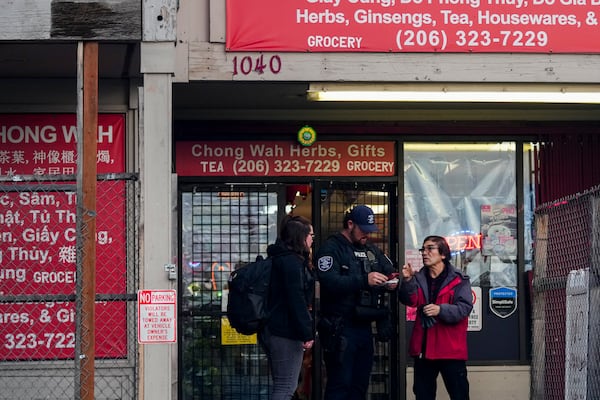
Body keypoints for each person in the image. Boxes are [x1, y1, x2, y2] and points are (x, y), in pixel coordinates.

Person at [315, 205, 397, 400]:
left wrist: (392, 282)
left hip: (365, 326)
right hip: (340, 327)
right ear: (350, 224)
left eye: (370, 231)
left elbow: (389, 270)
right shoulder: (331, 248)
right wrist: (363, 280)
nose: (367, 235)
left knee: (360, 385)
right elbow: (329, 281)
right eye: (363, 230)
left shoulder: (370, 250)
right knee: (339, 384)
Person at [399, 235, 473, 400]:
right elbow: (409, 300)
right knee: (423, 395)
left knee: (459, 395)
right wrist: (408, 280)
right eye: (423, 249)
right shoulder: (418, 278)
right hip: (424, 350)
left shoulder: (459, 280)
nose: (424, 253)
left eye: (430, 249)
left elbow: (464, 308)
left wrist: (440, 310)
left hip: (450, 350)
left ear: (443, 254)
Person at [259, 215, 315, 400]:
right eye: (310, 235)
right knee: (285, 386)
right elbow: (296, 300)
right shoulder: (292, 263)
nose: (312, 239)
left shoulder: (279, 259)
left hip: (274, 329)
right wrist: (307, 332)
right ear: (301, 237)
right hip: (286, 332)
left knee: (283, 383)